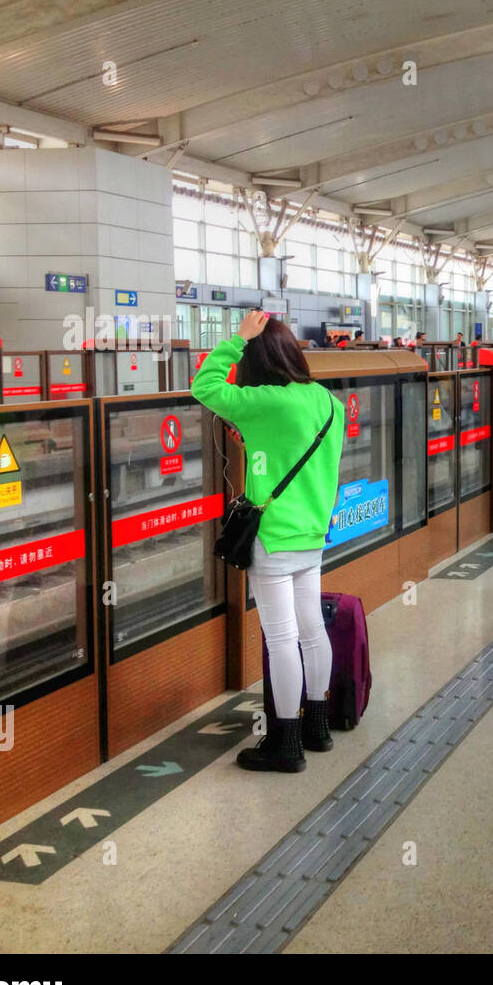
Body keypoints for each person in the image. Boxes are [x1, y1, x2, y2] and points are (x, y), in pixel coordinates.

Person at [192, 311, 344, 773]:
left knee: (282, 640)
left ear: (255, 360)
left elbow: (205, 385)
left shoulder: (262, 402)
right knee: (312, 631)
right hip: (313, 533)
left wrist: (237, 339)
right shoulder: (326, 400)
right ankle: (316, 727)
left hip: (274, 538)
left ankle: (285, 743)